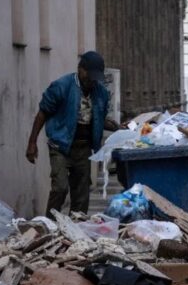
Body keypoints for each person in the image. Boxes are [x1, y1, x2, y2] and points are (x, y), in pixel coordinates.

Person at [26, 51, 120, 217]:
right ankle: (50, 224)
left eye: (94, 77)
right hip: (60, 146)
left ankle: (77, 229)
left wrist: (116, 126)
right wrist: (32, 143)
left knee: (82, 194)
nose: (91, 80)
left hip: (83, 148)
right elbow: (42, 114)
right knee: (60, 187)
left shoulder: (101, 93)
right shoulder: (62, 86)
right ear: (80, 69)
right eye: (88, 74)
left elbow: (97, 119)